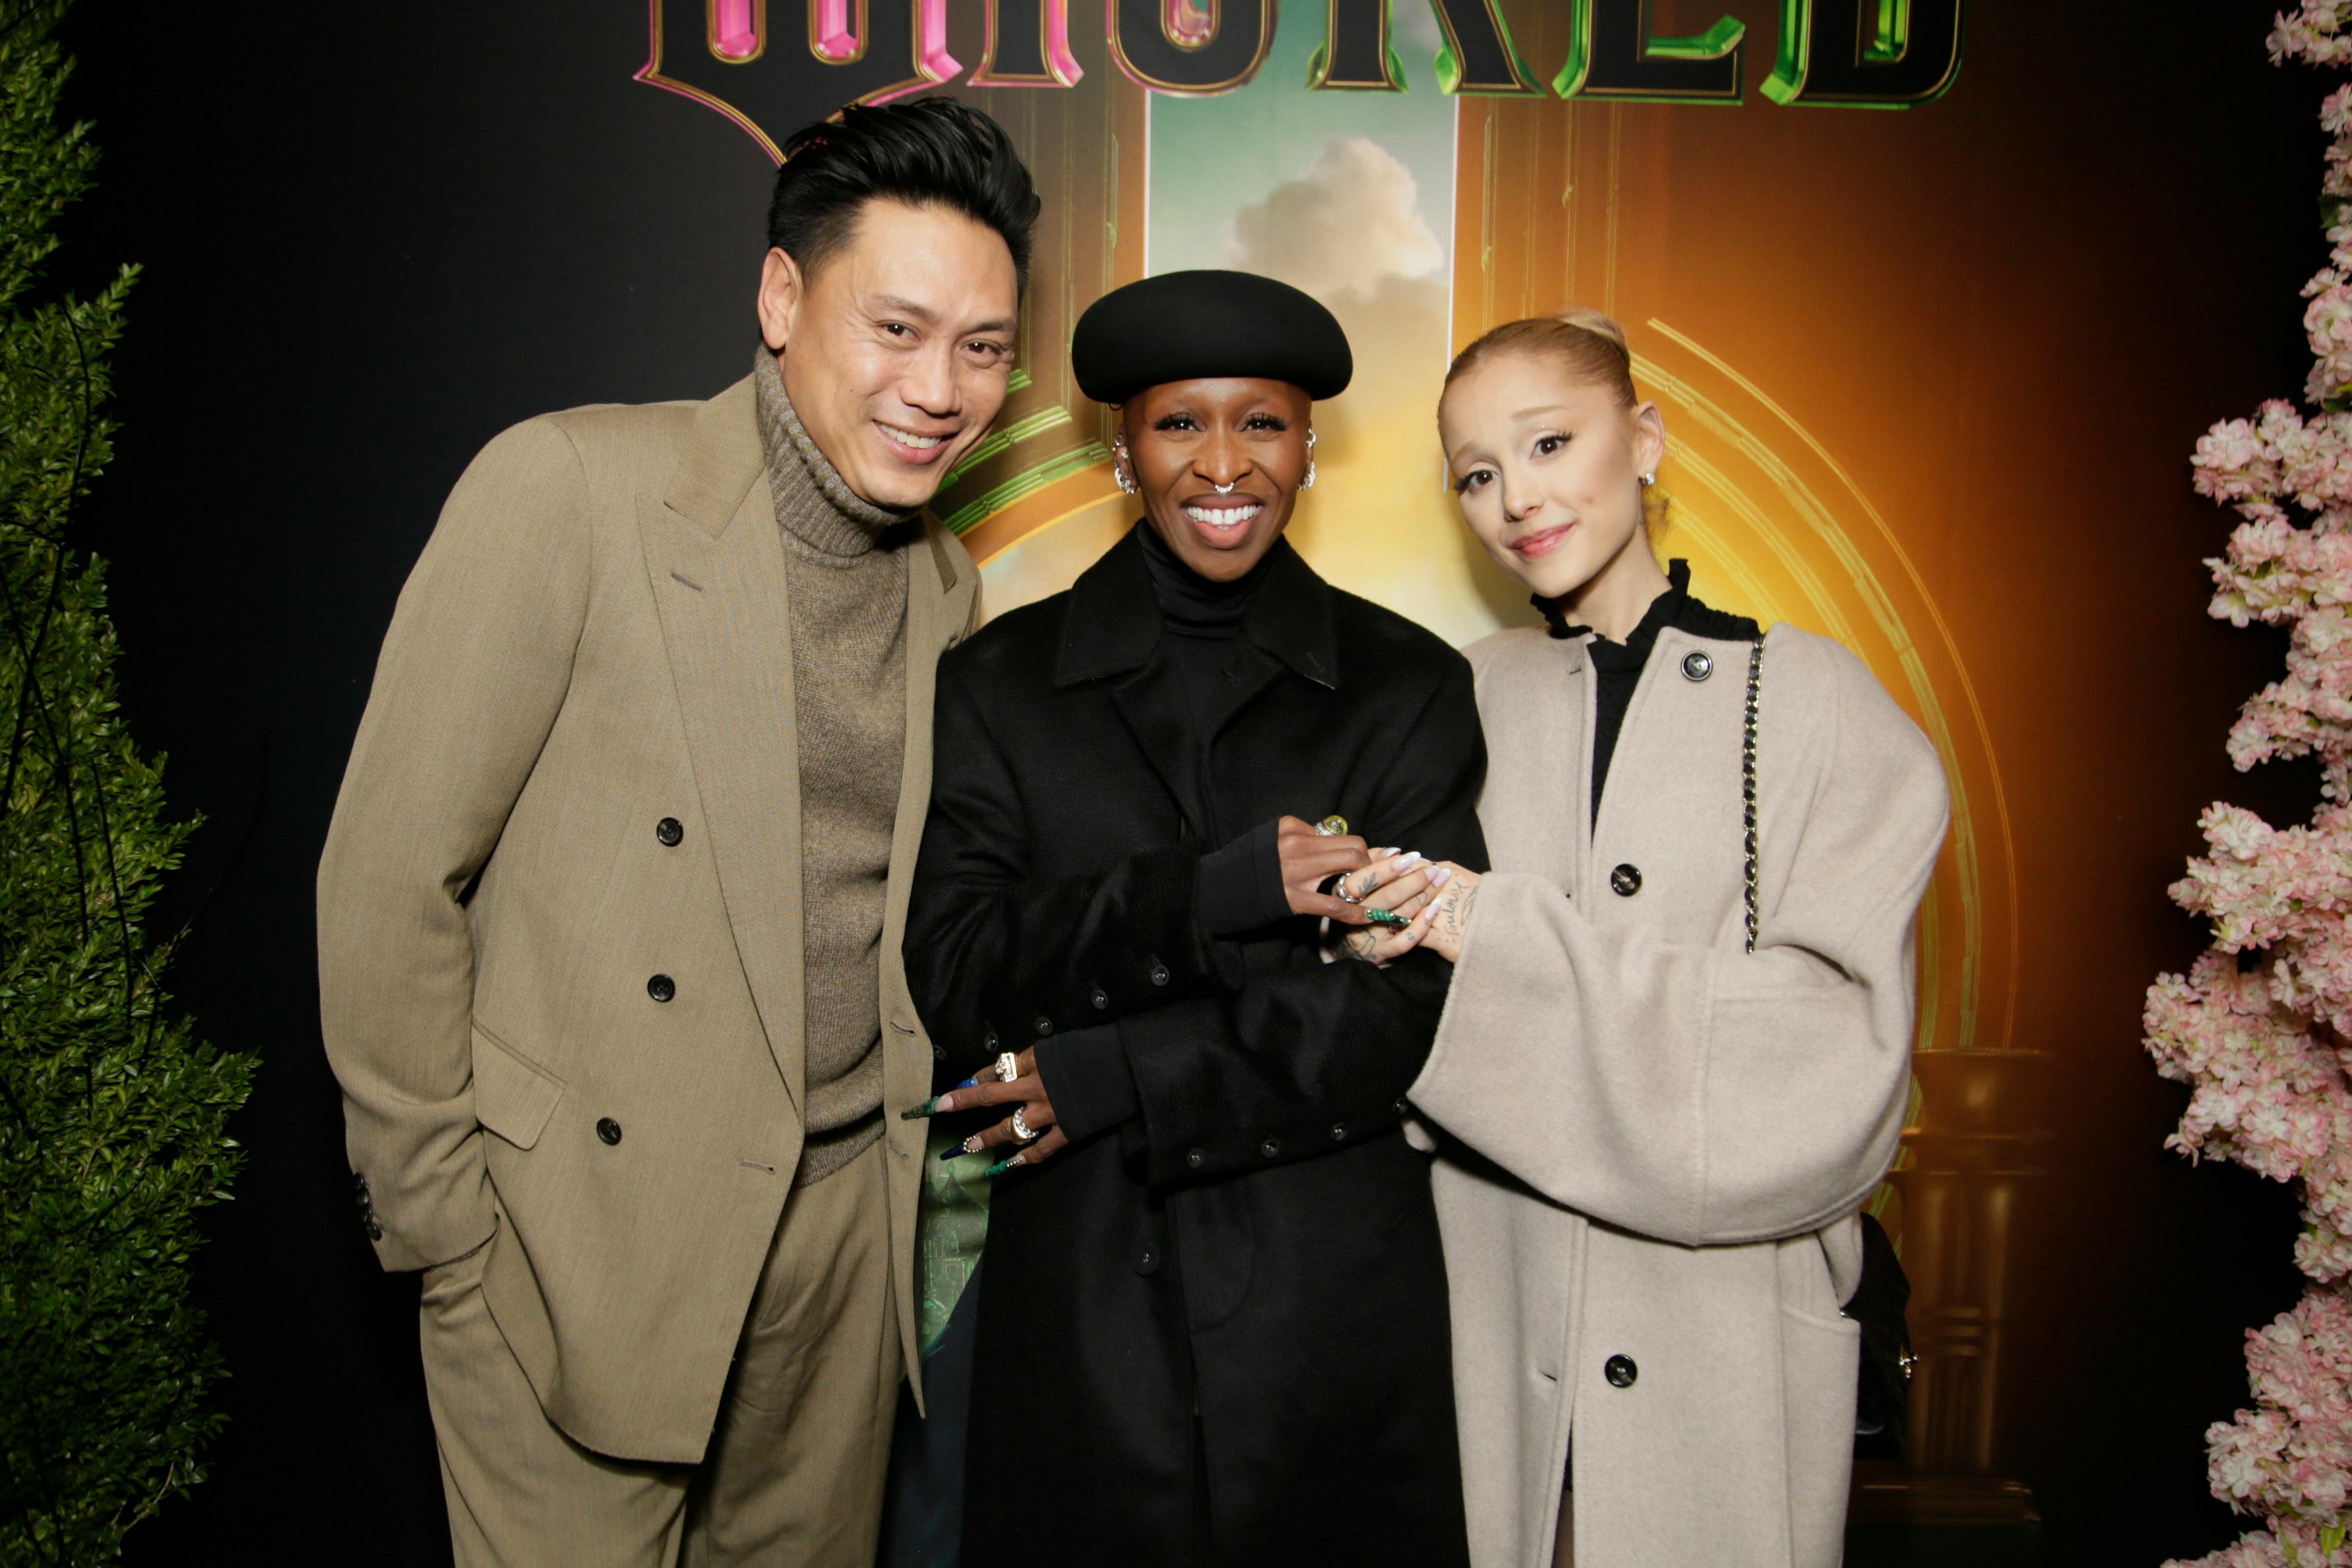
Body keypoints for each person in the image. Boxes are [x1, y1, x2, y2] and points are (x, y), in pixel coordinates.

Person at [314, 99, 1036, 1566]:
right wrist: (447, 1233)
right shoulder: (572, 488)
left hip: (835, 1261)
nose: (939, 388)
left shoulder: (947, 587)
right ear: (781, 298)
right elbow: (389, 877)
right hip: (574, 1242)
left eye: (982, 347)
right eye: (895, 329)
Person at [900, 269, 1483, 1567]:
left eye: (1261, 421)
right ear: (1124, 449)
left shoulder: (1406, 687)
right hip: (1082, 1311)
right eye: (1179, 423)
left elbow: (1407, 1005)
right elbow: (952, 973)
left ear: (1309, 444)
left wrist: (1120, 1072)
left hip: (1326, 1314)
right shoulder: (997, 682)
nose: (1224, 463)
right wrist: (1205, 895)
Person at [1356, 309, 1950, 1568]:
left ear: (1645, 436)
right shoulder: (1448, 701)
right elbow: (1382, 1042)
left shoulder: (1820, 707)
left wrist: (1490, 931)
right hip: (1486, 1328)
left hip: (1721, 1353)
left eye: (1548, 443)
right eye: (1475, 474)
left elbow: (1830, 1077)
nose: (1517, 498)